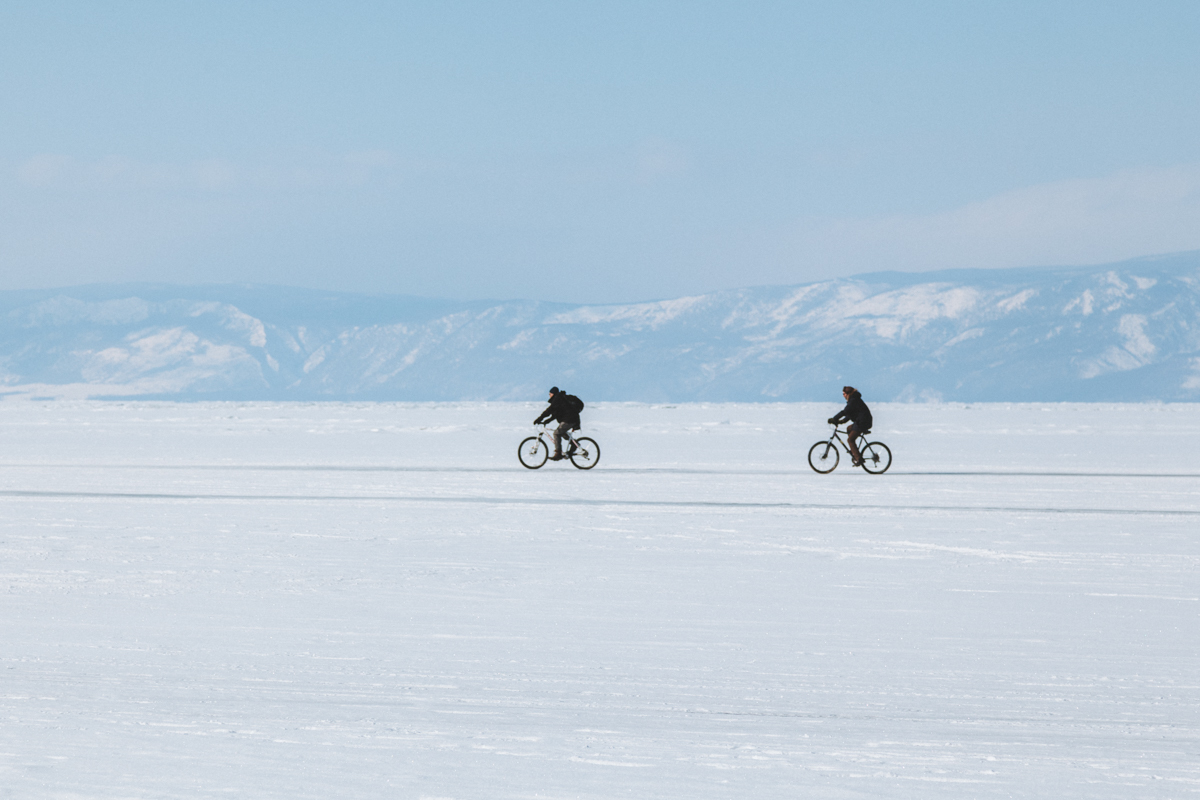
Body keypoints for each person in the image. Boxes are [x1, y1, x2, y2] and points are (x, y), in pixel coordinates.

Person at [534, 386, 583, 460]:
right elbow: (555, 414)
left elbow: (549, 411)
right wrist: (547, 421)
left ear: (553, 394)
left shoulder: (558, 399)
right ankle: (574, 444)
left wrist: (539, 418)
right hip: (571, 419)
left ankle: (558, 453)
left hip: (570, 419)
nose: (549, 395)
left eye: (550, 394)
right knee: (561, 432)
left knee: (556, 433)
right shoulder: (559, 399)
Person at [828, 386, 872, 467]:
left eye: (844, 394)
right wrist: (842, 421)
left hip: (863, 422)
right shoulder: (853, 399)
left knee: (850, 440)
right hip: (861, 421)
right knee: (849, 428)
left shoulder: (853, 400)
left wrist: (834, 418)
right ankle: (854, 451)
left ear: (848, 393)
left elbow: (845, 411)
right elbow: (850, 413)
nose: (843, 395)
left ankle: (859, 459)